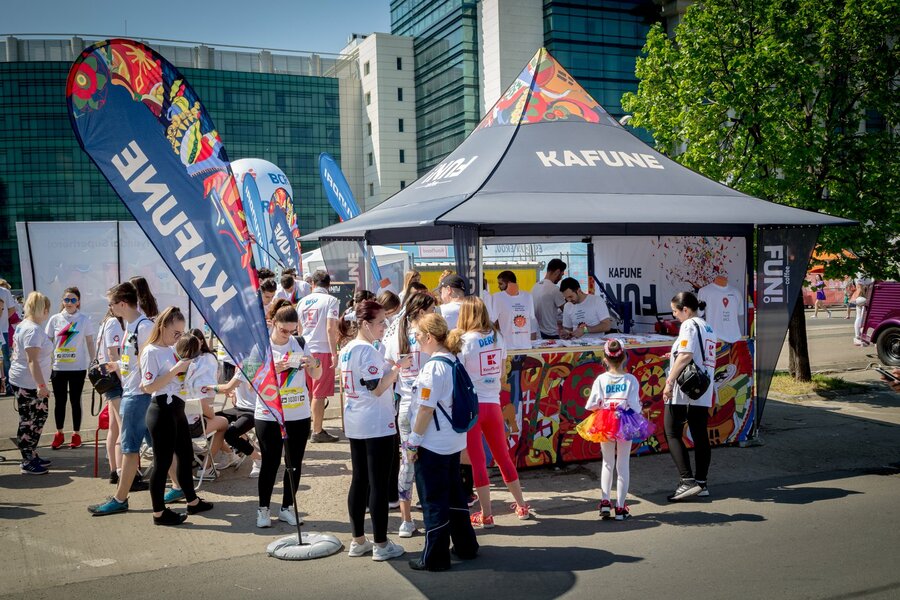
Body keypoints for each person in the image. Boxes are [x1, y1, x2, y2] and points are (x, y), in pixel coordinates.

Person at [406, 313, 479, 571]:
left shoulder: (433, 368)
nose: (414, 340)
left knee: (433, 500)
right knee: (455, 496)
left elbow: (425, 409)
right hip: (453, 440)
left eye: (416, 335)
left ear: (428, 337)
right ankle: (466, 545)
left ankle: (435, 557)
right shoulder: (451, 360)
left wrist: (413, 442)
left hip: (433, 443)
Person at [340, 299, 409, 561]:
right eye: (381, 322)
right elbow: (377, 387)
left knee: (360, 480)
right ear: (366, 324)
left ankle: (359, 540)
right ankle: (381, 543)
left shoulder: (347, 348)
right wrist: (395, 369)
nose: (384, 327)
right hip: (376, 423)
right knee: (378, 483)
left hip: (357, 420)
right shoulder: (366, 351)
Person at [454, 297, 531, 527]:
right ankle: (522, 505)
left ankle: (486, 514)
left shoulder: (464, 341)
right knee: (502, 457)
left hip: (472, 406)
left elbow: (457, 375)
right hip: (493, 403)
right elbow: (501, 373)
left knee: (477, 461)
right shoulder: (498, 336)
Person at [139, 306, 213, 525]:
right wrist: (176, 370)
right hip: (161, 410)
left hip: (177, 408)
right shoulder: (151, 351)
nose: (178, 338)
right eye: (176, 333)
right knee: (162, 463)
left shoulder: (171, 350)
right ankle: (158, 513)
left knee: (186, 454)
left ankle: (192, 501)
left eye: (181, 333)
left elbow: (180, 379)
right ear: (163, 327)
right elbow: (147, 386)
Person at [88, 282, 155, 516]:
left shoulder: (143, 326)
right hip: (133, 392)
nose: (110, 308)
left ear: (123, 304)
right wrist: (117, 365)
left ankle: (120, 498)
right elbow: (135, 359)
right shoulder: (130, 324)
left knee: (128, 448)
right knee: (157, 445)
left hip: (138, 395)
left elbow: (151, 359)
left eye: (112, 304)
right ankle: (182, 488)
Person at [255, 303, 322, 528]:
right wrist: (276, 368)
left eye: (292, 330)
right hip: (269, 412)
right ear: (273, 322)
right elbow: (249, 375)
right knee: (270, 463)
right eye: (284, 330)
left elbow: (317, 373)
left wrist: (315, 363)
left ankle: (287, 507)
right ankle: (263, 509)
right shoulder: (261, 345)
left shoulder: (301, 343)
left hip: (298, 412)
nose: (288, 335)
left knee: (294, 463)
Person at [384, 292, 437, 538]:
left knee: (407, 462)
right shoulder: (427, 336)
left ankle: (406, 521)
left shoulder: (396, 331)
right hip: (427, 405)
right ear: (420, 311)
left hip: (405, 405)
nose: (435, 312)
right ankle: (431, 514)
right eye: (432, 309)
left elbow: (387, 363)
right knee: (429, 461)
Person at [662, 292, 717, 502]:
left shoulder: (688, 325)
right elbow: (695, 353)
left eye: (675, 311)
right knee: (700, 433)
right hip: (702, 387)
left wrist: (669, 382)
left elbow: (686, 355)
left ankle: (687, 481)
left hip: (684, 388)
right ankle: (701, 483)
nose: (674, 315)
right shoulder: (706, 326)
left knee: (672, 431)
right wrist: (674, 355)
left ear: (685, 309)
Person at [583, 339, 646, 520]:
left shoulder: (601, 379)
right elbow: (635, 405)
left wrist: (604, 406)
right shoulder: (631, 380)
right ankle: (620, 507)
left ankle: (604, 502)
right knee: (623, 463)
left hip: (605, 421)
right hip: (625, 421)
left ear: (605, 359)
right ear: (624, 357)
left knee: (607, 463)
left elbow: (591, 404)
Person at [45, 287, 95, 450]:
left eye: (73, 300)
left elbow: (89, 342)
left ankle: (76, 434)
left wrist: (93, 361)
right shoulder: (55, 319)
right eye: (66, 299)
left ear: (78, 302)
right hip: (58, 367)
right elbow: (47, 342)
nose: (69, 303)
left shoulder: (84, 319)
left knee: (75, 401)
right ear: (62, 301)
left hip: (78, 368)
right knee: (60, 402)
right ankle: (59, 434)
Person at [9, 292, 54, 474]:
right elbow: (32, 360)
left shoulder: (26, 326)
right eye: (47, 310)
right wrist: (41, 386)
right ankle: (27, 459)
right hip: (28, 383)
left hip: (26, 381)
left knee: (37, 417)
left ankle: (31, 453)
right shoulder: (32, 330)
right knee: (30, 420)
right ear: (42, 309)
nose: (47, 313)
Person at [299, 271, 341, 442]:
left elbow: (300, 329)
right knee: (319, 393)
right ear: (328, 285)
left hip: (305, 348)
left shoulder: (302, 301)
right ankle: (317, 431)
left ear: (313, 284)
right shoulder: (331, 300)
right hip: (321, 349)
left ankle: (309, 428)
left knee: (310, 391)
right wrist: (334, 352)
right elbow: (331, 328)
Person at [96, 308, 125, 483]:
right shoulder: (114, 322)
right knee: (123, 427)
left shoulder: (105, 323)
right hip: (114, 378)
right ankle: (124, 473)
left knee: (114, 427)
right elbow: (113, 353)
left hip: (107, 378)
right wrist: (124, 380)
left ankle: (115, 471)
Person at [492, 271, 537, 350]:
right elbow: (492, 322)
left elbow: (531, 320)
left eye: (500, 284)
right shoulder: (497, 297)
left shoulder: (528, 296)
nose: (498, 287)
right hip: (507, 348)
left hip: (526, 346)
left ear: (509, 283)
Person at [532, 259, 567, 340]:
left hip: (537, 333)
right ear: (557, 272)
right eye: (561, 275)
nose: (561, 278)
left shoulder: (535, 287)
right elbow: (566, 310)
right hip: (550, 334)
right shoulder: (554, 289)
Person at [0, 280, 17, 394]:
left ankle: (9, 387)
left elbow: (12, 309)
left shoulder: (5, 292)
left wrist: (3, 318)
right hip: (4, 329)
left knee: (6, 359)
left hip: (3, 330)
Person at [853, 274, 874, 346]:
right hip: (861, 297)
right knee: (861, 317)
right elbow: (860, 286)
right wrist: (866, 297)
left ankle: (859, 336)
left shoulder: (863, 273)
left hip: (861, 297)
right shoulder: (861, 273)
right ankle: (858, 336)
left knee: (860, 317)